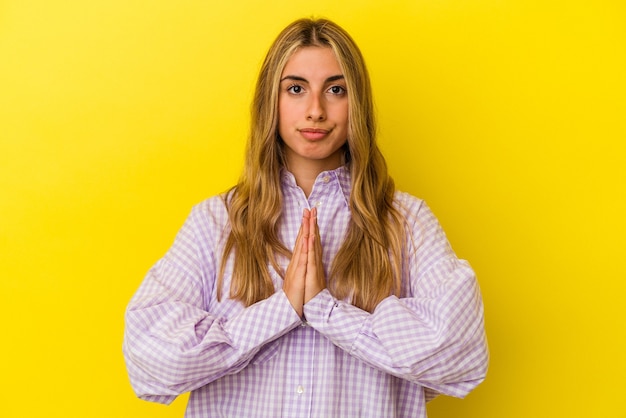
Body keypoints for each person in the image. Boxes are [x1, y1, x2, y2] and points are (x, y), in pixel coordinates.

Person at [123, 17, 488, 417]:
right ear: (271, 101)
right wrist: (280, 311)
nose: (315, 110)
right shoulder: (217, 222)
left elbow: (461, 353)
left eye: (335, 89)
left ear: (357, 104)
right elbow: (149, 360)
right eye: (296, 89)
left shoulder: (405, 222)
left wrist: (326, 311)